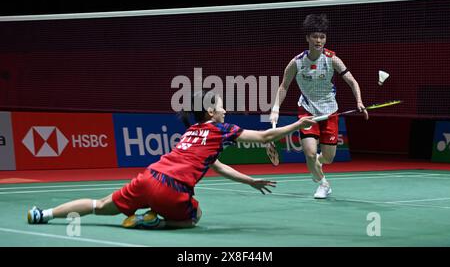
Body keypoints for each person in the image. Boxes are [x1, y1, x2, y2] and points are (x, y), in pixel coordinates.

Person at [28, 91, 315, 229]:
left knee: (100, 205)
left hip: (148, 177)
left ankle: (44, 214)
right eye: (220, 106)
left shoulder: (192, 131)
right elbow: (265, 137)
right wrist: (298, 125)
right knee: (195, 219)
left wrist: (249, 181)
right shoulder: (221, 130)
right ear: (210, 112)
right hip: (172, 189)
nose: (225, 110)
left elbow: (216, 165)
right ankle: (149, 221)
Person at [270, 14, 369, 199]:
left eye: (322, 37)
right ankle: (323, 184)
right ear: (307, 37)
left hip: (330, 111)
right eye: (315, 36)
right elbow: (283, 86)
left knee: (328, 158)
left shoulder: (332, 59)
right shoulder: (297, 62)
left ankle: (316, 164)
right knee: (309, 153)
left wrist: (359, 101)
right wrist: (275, 108)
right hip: (307, 110)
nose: (318, 40)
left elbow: (352, 81)